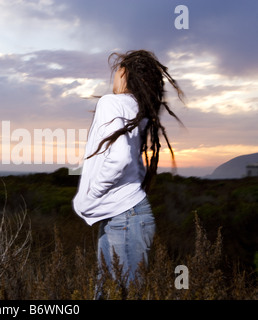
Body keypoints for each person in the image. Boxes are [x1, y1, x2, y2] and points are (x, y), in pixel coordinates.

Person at [72, 50, 184, 297]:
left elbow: (121, 157)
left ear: (125, 74)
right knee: (112, 291)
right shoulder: (138, 109)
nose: (113, 78)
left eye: (117, 71)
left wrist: (95, 192)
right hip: (125, 215)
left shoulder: (111, 103)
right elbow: (136, 163)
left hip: (124, 216)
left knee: (121, 292)